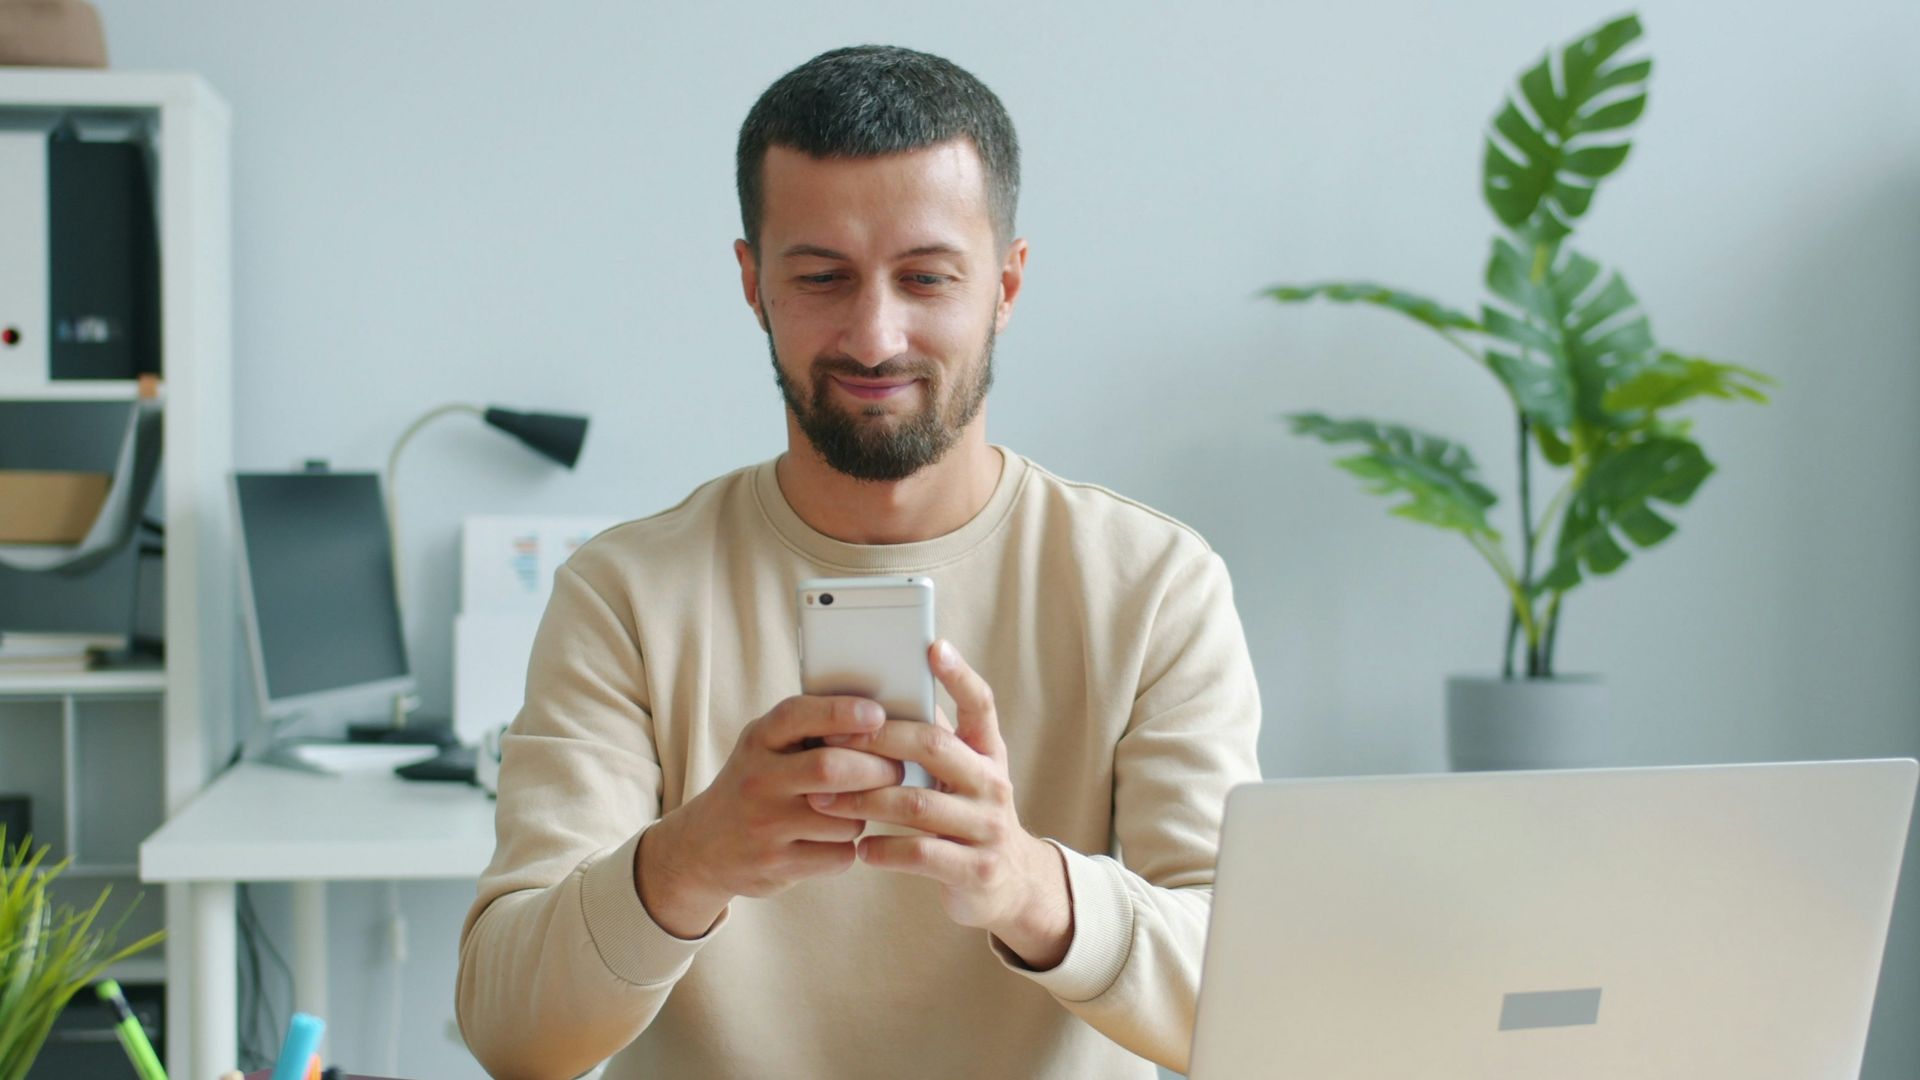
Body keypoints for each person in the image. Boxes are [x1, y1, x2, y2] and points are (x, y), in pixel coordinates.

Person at [455, 44, 1262, 1079]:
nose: (875, 337)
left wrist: (1028, 889)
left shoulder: (1154, 586)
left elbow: (1240, 1011)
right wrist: (690, 859)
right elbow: (511, 1035)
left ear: (1006, 284)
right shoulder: (625, 594)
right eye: (822, 277)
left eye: (927, 277)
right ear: (753, 285)